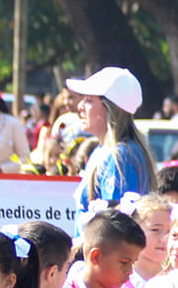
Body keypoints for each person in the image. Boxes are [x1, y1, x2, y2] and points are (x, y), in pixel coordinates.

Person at [67, 67, 157, 210]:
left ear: (112, 108)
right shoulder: (105, 151)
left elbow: (113, 220)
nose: (80, 106)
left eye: (89, 100)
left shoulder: (120, 157)